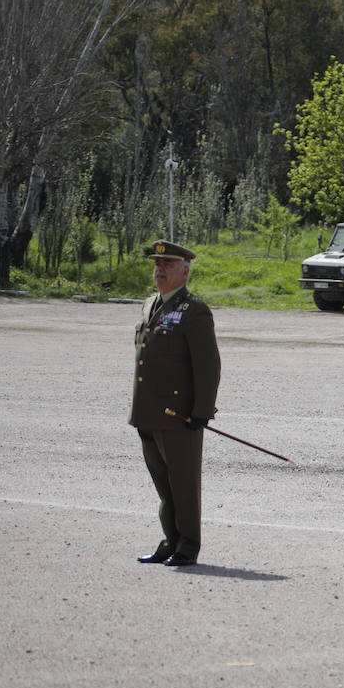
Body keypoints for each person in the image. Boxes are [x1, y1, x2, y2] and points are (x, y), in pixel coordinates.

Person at [131, 241, 222, 567]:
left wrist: (201, 412)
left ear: (184, 270)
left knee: (183, 485)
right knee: (164, 487)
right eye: (157, 264)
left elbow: (208, 366)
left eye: (168, 264)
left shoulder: (194, 310)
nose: (160, 269)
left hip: (179, 416)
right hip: (148, 414)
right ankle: (170, 541)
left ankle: (188, 545)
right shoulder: (150, 304)